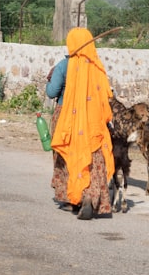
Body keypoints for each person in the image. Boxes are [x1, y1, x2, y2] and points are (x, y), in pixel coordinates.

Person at [45, 27, 114, 220]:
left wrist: (49, 80)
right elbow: (106, 94)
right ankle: (89, 197)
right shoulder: (97, 66)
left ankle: (71, 198)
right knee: (93, 159)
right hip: (93, 121)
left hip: (66, 119)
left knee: (67, 156)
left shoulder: (63, 66)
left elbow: (51, 92)